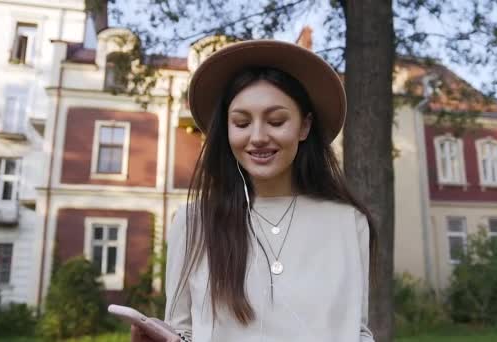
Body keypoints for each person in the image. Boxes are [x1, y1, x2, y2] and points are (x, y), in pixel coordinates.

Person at [132, 39, 377, 342]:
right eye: (242, 122)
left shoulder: (348, 222)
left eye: (276, 121)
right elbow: (182, 330)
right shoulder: (194, 221)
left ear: (304, 126)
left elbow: (357, 329)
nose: (258, 137)